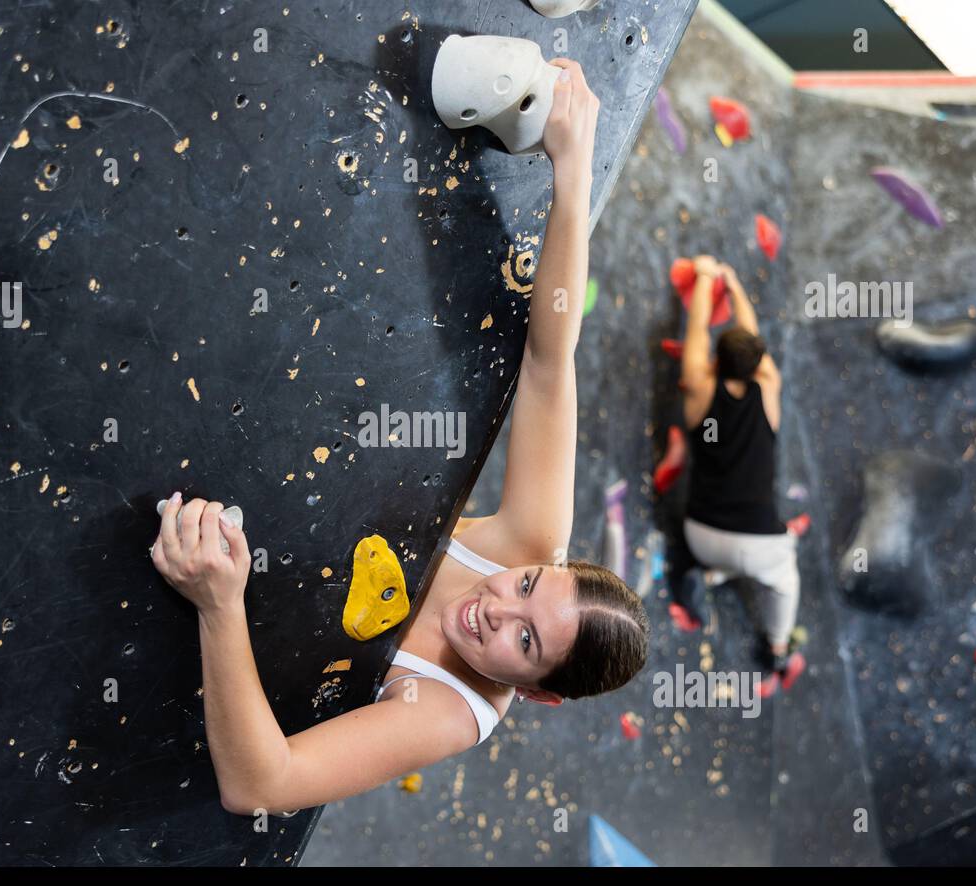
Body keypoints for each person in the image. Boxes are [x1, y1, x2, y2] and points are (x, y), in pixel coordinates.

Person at [149, 60, 649, 817]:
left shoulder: (450, 711)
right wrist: (573, 175)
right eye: (525, 587)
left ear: (538, 693)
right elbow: (549, 365)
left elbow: (262, 785)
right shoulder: (531, 539)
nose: (497, 609)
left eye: (522, 644)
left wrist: (219, 606)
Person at [679, 255, 804, 694]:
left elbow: (695, 334)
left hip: (700, 535)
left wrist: (705, 278)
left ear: (715, 360)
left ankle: (714, 572)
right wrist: (734, 284)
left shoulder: (698, 387)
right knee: (786, 583)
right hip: (760, 546)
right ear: (758, 365)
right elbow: (754, 341)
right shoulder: (768, 388)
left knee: (746, 560)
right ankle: (777, 646)